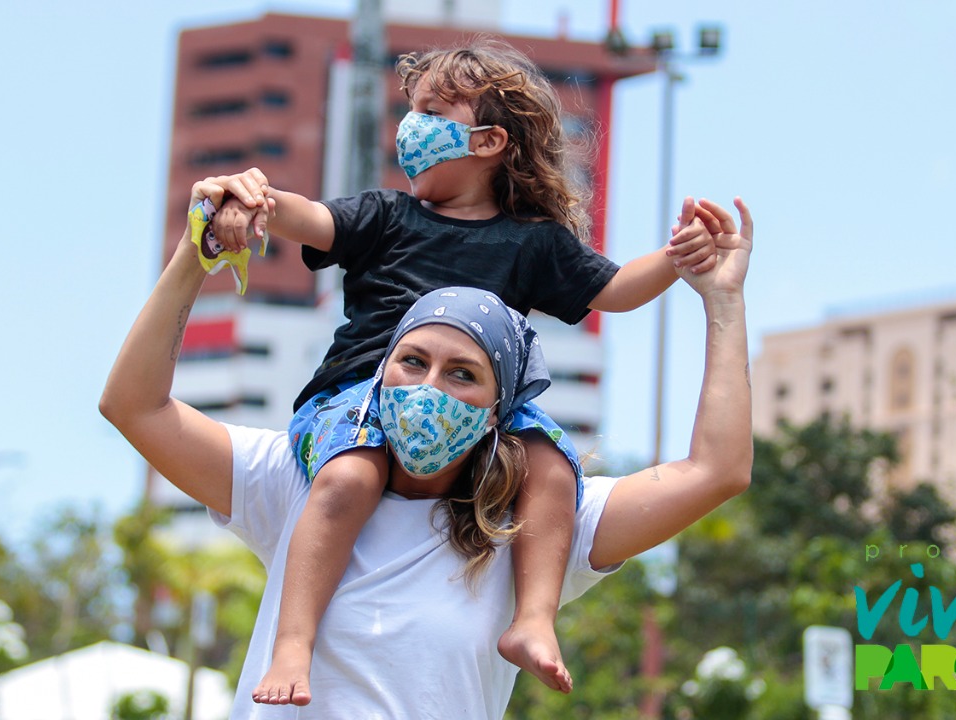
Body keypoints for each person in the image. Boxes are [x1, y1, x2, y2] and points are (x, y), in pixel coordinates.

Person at [99, 172, 754, 719]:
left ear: (503, 411)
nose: (427, 388)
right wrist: (199, 250)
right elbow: (133, 406)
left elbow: (715, 471)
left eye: (462, 374)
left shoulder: (529, 532)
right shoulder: (301, 482)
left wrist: (721, 302)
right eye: (412, 362)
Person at [203, 37, 718, 705]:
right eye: (410, 109)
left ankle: (533, 620)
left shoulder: (534, 241)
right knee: (351, 476)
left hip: (480, 410)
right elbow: (314, 219)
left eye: (432, 112)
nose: (409, 127)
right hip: (361, 395)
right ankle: (294, 644)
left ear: (487, 142)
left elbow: (615, 291)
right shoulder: (386, 216)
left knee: (555, 469)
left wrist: (682, 255)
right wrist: (256, 200)